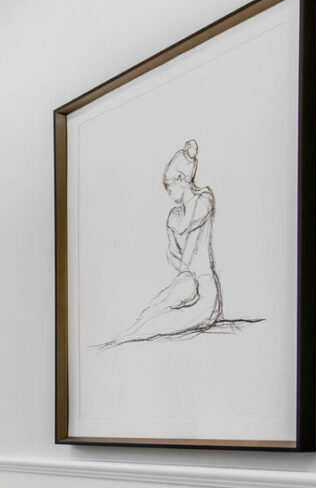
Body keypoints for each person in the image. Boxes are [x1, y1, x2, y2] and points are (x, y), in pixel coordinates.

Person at [101, 139, 259, 348]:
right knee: (159, 305)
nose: (168, 193)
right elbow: (176, 258)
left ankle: (130, 336)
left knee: (162, 322)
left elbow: (187, 225)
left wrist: (175, 225)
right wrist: (171, 235)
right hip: (187, 282)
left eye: (170, 186)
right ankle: (127, 334)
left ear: (181, 179)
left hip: (205, 290)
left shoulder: (204, 199)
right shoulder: (174, 215)